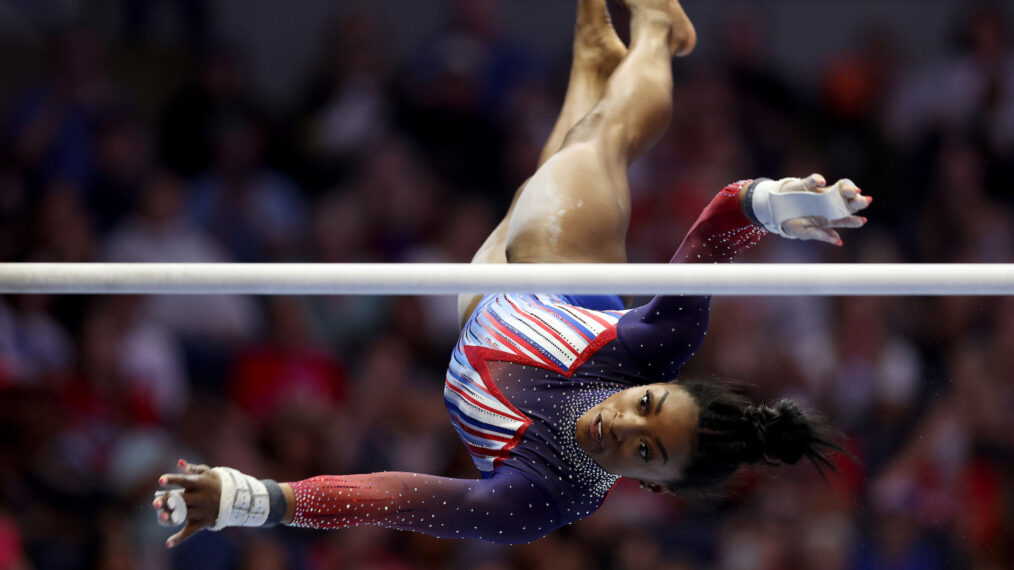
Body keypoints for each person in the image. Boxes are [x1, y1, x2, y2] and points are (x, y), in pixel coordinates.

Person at [153, 0, 872, 547]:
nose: (621, 423)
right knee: (604, 140)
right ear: (657, 383)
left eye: (646, 452)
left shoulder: (545, 498)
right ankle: (657, 30)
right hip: (557, 260)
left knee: (561, 154)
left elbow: (395, 499)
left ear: (654, 487)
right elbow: (720, 222)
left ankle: (593, 60)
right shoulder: (660, 339)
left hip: (481, 305)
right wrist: (781, 204)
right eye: (647, 406)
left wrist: (255, 499)